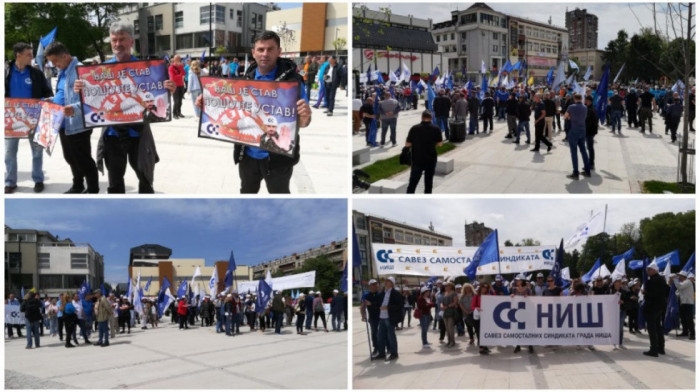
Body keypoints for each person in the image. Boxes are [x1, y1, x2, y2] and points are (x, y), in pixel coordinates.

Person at [196, 31, 311, 194]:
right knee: (247, 193)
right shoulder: (244, 79)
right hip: (247, 154)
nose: (265, 54)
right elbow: (226, 108)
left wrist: (306, 116)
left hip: (279, 159)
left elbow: (304, 122)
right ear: (253, 52)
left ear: (279, 52)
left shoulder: (293, 82)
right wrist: (206, 103)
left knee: (279, 196)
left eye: (270, 49)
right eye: (261, 49)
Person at [74, 22, 175, 194]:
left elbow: (159, 102)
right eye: (114, 40)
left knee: (145, 181)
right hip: (112, 135)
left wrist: (168, 91)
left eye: (122, 39)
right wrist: (80, 90)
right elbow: (92, 100)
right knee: (114, 185)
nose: (117, 44)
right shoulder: (100, 71)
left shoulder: (148, 69)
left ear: (131, 42)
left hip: (139, 135)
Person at [44, 41, 99, 194]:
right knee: (70, 158)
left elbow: (94, 99)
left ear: (65, 56)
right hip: (63, 124)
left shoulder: (81, 70)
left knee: (84, 159)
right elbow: (64, 94)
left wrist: (74, 108)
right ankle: (77, 185)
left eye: (56, 61)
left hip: (77, 124)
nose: (54, 65)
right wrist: (53, 101)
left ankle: (93, 189)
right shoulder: (63, 71)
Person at [5, 42, 53, 194]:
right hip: (10, 120)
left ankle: (38, 180)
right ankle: (10, 182)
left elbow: (47, 91)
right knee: (9, 153)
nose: (32, 57)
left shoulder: (36, 73)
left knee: (37, 151)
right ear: (18, 54)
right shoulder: (5, 72)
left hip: (34, 118)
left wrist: (49, 100)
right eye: (29, 54)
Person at [405, 110, 443, 194]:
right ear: (431, 118)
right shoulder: (436, 128)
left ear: (421, 117)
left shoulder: (414, 128)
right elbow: (440, 144)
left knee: (413, 182)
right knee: (428, 182)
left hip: (417, 158)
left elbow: (407, 144)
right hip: (431, 159)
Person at [373, 277, 403, 361]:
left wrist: (388, 307)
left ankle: (394, 353)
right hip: (382, 317)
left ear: (392, 283)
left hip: (390, 317)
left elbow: (399, 305)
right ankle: (382, 353)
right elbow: (378, 303)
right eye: (385, 281)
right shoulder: (382, 293)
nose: (385, 282)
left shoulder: (396, 293)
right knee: (380, 336)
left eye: (388, 281)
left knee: (391, 336)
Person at [642, 261, 668, 357]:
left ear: (653, 270)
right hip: (659, 307)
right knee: (658, 328)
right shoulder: (661, 279)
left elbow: (653, 294)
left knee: (652, 329)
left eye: (648, 270)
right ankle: (661, 348)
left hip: (652, 307)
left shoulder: (654, 280)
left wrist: (645, 293)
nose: (647, 272)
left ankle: (654, 350)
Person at [563, 94, 591, 180]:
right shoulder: (585, 107)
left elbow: (565, 116)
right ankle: (587, 170)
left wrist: (570, 117)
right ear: (581, 98)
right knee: (583, 151)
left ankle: (575, 173)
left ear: (574, 98)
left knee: (574, 152)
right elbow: (583, 118)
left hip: (574, 131)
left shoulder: (571, 107)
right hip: (582, 130)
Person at [510, 275, 534, 354]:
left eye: (518, 280)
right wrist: (512, 296)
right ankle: (518, 345)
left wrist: (528, 297)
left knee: (529, 329)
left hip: (527, 311)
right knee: (518, 329)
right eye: (516, 280)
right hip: (518, 312)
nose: (517, 281)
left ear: (522, 281)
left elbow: (532, 298)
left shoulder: (527, 289)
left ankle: (530, 345)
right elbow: (511, 299)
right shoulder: (514, 289)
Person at [608, 277, 630, 348]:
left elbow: (628, 302)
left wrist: (623, 302)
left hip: (621, 311)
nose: (620, 283)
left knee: (620, 327)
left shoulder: (624, 291)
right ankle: (613, 342)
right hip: (612, 312)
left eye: (620, 281)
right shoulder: (609, 291)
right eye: (618, 281)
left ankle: (620, 343)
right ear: (614, 282)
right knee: (613, 327)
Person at [361, 280, 381, 355]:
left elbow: (381, 305)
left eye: (376, 284)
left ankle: (386, 347)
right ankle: (376, 347)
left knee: (383, 333)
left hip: (382, 316)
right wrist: (363, 315)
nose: (375, 286)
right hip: (372, 317)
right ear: (369, 286)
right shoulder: (366, 295)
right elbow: (363, 306)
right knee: (374, 333)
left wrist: (371, 304)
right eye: (373, 284)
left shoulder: (380, 294)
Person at [674, 271, 695, 340]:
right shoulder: (683, 283)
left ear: (683, 276)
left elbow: (679, 287)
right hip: (683, 303)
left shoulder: (688, 282)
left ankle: (692, 334)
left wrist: (674, 279)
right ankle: (685, 331)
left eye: (680, 275)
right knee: (683, 319)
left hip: (688, 303)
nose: (678, 277)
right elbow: (678, 292)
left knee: (689, 319)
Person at [472, 282, 492, 354]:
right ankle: (481, 348)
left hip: (486, 317)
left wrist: (492, 289)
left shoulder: (488, 295)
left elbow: (495, 298)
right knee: (479, 332)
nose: (484, 289)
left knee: (485, 332)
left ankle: (485, 346)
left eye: (486, 288)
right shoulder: (476, 296)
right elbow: (472, 306)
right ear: (481, 288)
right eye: (483, 287)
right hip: (479, 317)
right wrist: (477, 308)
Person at [440, 281, 459, 348]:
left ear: (450, 286)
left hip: (451, 311)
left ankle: (452, 342)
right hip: (445, 312)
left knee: (450, 327)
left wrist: (447, 306)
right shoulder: (445, 293)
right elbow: (441, 302)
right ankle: (449, 341)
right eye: (445, 286)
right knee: (447, 327)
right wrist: (442, 306)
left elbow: (455, 302)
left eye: (446, 286)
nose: (445, 287)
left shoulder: (454, 293)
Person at [169, 55, 186, 119]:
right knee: (176, 101)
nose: (178, 60)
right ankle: (174, 113)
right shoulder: (171, 67)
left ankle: (179, 112)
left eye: (179, 59)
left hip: (181, 85)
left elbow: (184, 73)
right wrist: (180, 75)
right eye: (177, 59)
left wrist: (181, 68)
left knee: (180, 100)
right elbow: (173, 78)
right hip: (174, 86)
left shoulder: (181, 66)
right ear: (174, 59)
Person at [584, 95, 598, 170]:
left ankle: (591, 163)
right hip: (591, 131)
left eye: (585, 100)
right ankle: (590, 163)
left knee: (590, 148)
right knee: (589, 147)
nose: (584, 101)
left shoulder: (590, 110)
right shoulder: (592, 108)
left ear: (588, 101)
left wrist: (584, 131)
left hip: (589, 131)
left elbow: (588, 122)